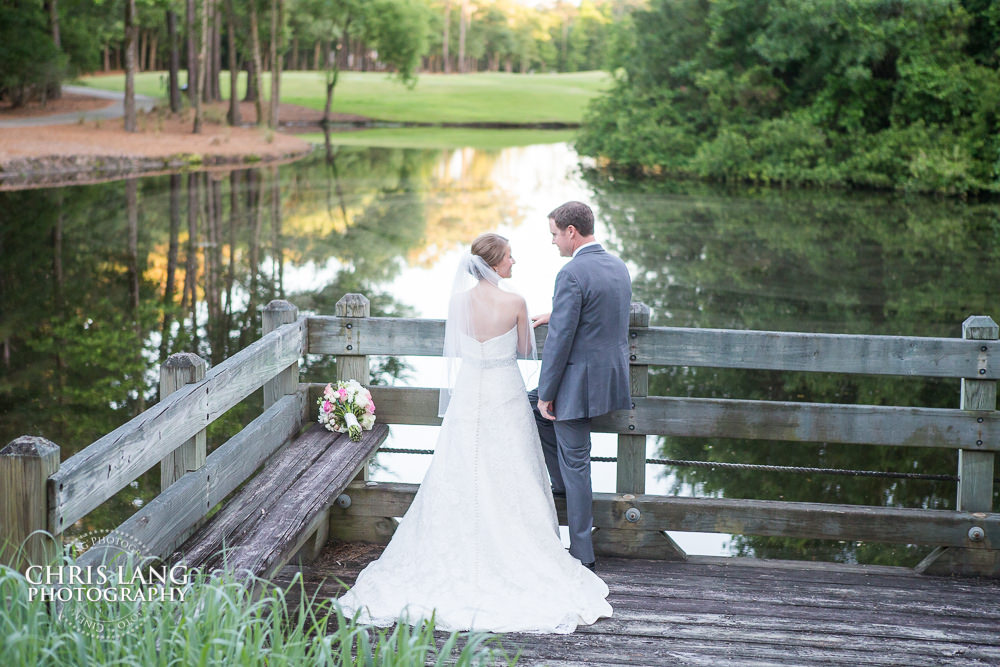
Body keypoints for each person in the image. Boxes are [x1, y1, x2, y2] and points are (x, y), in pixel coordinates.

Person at [337, 232, 613, 634]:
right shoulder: (515, 302)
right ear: (496, 262)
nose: (514, 262)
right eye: (510, 256)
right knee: (512, 471)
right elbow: (524, 348)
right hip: (503, 392)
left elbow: (460, 345)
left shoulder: (457, 302)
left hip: (469, 393)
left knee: (459, 468)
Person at [528, 201, 632, 570]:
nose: (553, 242)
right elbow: (598, 309)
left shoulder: (570, 273)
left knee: (575, 462)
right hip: (610, 380)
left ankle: (582, 554)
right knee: (529, 412)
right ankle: (560, 485)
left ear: (571, 231)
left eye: (555, 234)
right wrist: (557, 311)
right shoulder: (617, 266)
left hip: (577, 385)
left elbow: (559, 341)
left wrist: (546, 393)